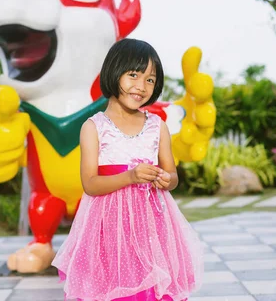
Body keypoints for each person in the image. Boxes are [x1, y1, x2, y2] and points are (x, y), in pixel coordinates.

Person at [52, 38, 203, 301]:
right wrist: (130, 177)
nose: (141, 86)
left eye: (150, 80)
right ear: (114, 72)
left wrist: (166, 179)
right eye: (134, 75)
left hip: (152, 227)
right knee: (114, 288)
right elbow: (90, 183)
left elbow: (173, 176)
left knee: (152, 288)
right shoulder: (94, 127)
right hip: (108, 229)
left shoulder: (158, 126)